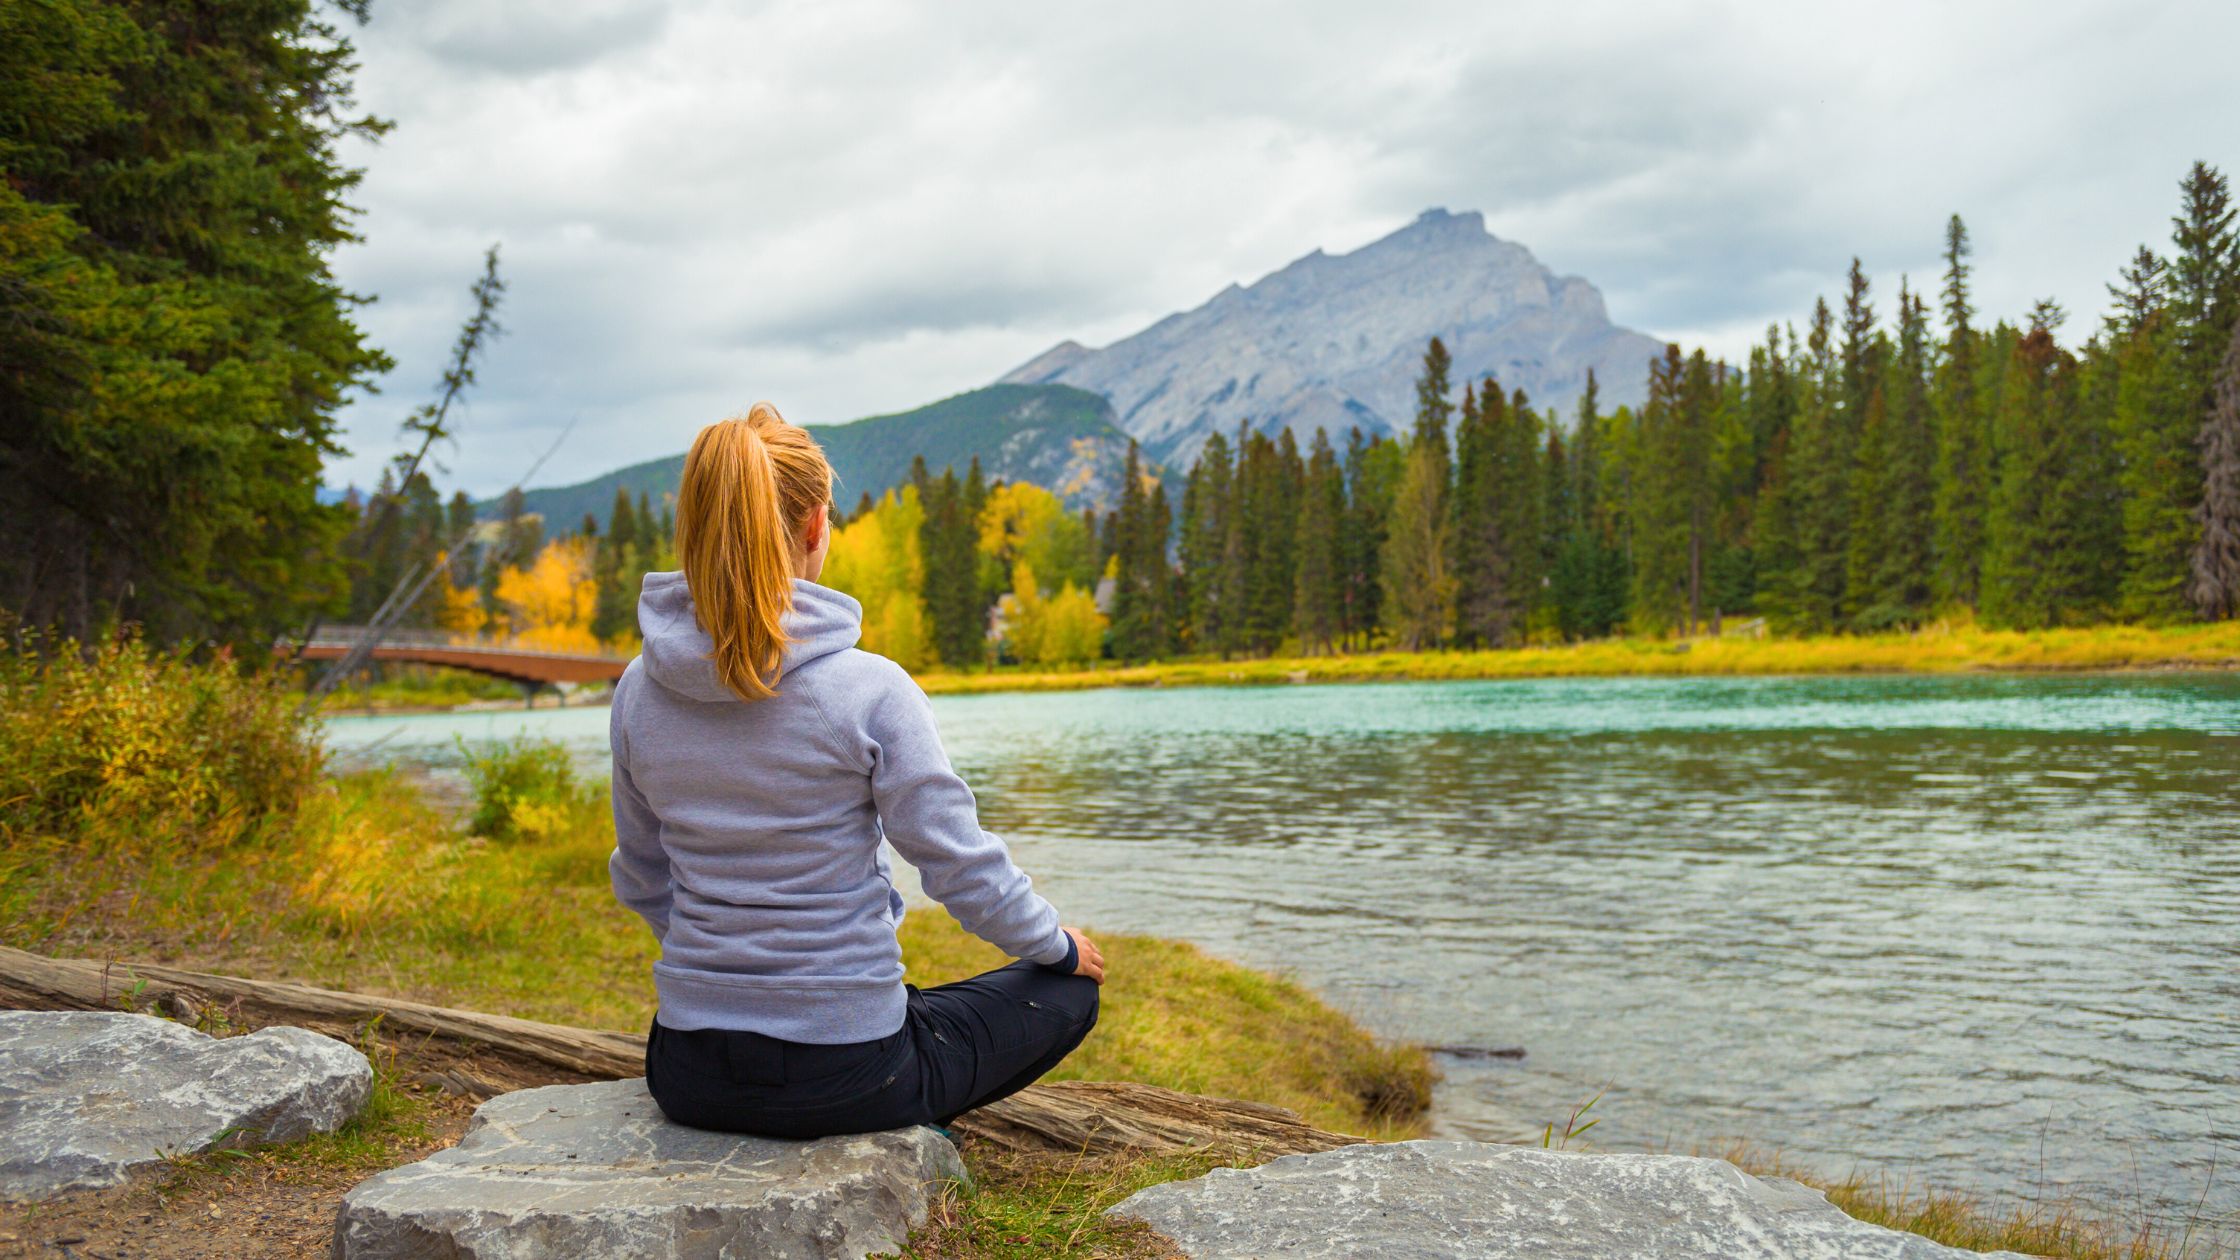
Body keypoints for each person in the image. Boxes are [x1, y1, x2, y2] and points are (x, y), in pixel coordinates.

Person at [607, 402, 1105, 1140]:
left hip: (687, 1070)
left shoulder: (637, 691)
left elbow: (643, 875)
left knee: (913, 1004)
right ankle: (908, 1115)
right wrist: (1056, 946)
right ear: (815, 527)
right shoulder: (870, 688)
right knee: (1066, 996)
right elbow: (957, 865)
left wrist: (727, 976)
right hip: (847, 1075)